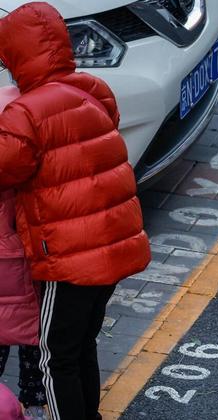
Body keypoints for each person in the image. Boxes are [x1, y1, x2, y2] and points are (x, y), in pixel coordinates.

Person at [0, 3, 151, 419]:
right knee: (82, 344)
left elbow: (6, 167)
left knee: (55, 357)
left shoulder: (25, 112)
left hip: (70, 258)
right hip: (115, 246)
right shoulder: (92, 88)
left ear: (16, 56)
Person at [0, 86, 47, 420]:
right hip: (30, 264)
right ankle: (32, 403)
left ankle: (27, 402)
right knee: (36, 339)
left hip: (14, 266)